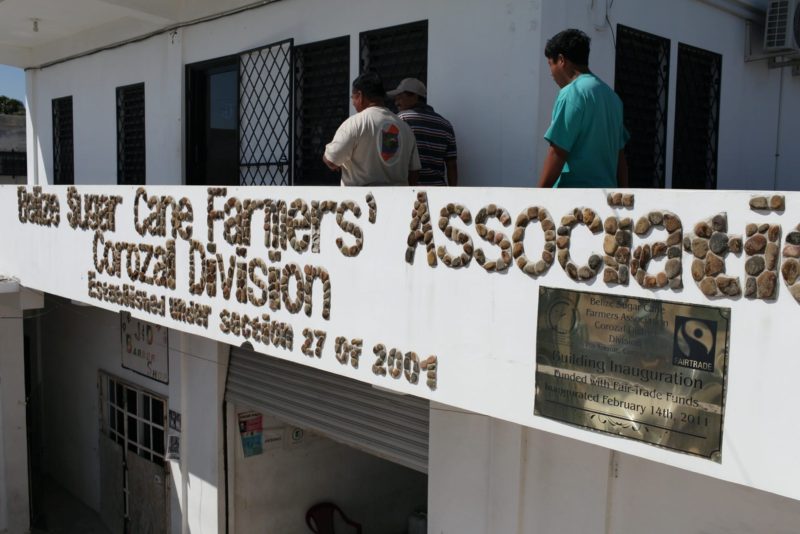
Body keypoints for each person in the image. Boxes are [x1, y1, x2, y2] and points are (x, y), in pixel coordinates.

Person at [538, 29, 629, 188]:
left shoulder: (572, 93)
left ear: (561, 60)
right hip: (606, 202)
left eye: (550, 64)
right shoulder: (613, 98)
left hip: (574, 201)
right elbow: (620, 157)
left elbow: (557, 152)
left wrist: (536, 197)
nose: (551, 74)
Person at [324, 72, 421, 186]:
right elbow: (414, 171)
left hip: (360, 201)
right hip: (397, 201)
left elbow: (331, 160)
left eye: (352, 97)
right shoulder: (405, 128)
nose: (353, 103)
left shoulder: (355, 123)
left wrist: (332, 160)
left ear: (359, 96)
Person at [388, 78, 458, 186]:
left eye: (400, 97)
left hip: (412, 193)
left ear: (414, 96)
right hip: (438, 192)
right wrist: (453, 193)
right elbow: (451, 165)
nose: (396, 103)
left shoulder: (402, 119)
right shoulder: (445, 124)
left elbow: (389, 153)